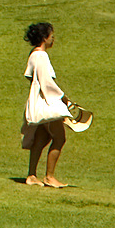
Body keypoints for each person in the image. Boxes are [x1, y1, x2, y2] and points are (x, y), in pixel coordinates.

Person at [21, 21, 73, 188]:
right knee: (59, 138)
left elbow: (30, 77)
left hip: (37, 101)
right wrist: (64, 99)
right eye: (52, 36)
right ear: (44, 38)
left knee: (41, 138)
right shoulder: (42, 56)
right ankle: (49, 176)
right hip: (47, 103)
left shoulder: (33, 54)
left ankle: (31, 175)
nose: (53, 39)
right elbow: (47, 82)